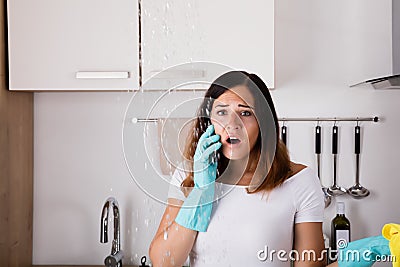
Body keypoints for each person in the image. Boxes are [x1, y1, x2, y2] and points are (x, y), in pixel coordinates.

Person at [149, 70, 326, 266]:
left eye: (245, 113)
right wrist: (199, 194)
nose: (232, 125)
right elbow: (163, 262)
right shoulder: (187, 175)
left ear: (263, 123)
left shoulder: (299, 181)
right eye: (222, 112)